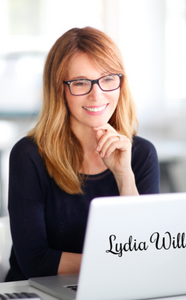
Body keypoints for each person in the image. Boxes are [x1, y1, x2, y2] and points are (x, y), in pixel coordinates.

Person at [5, 27, 160, 281]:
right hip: (36, 292)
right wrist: (117, 262)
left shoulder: (140, 154)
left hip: (112, 288)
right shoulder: (29, 155)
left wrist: (124, 176)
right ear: (59, 90)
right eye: (80, 82)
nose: (96, 94)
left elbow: (145, 248)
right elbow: (35, 261)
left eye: (108, 78)